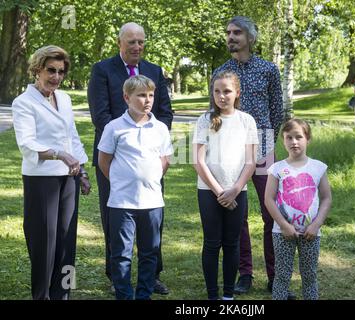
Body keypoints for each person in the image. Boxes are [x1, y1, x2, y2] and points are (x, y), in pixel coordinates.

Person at [88, 22, 173, 294]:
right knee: (114, 218)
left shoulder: (154, 71)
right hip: (114, 159)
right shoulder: (102, 70)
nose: (137, 47)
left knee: (152, 218)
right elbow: (100, 115)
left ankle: (152, 275)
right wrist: (125, 141)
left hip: (150, 158)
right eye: (131, 42)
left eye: (141, 42)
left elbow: (165, 112)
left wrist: (150, 141)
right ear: (119, 43)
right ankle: (117, 277)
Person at [11, 45, 90, 300]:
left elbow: (72, 136)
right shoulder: (23, 102)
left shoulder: (64, 98)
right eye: (51, 71)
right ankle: (42, 296)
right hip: (40, 179)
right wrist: (60, 154)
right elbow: (27, 143)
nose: (56, 77)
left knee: (67, 241)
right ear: (37, 69)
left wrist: (82, 170)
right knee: (44, 243)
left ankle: (62, 295)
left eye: (61, 72)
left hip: (69, 177)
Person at [213, 16, 284, 295]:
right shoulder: (220, 72)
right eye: (228, 32)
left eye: (237, 32)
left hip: (264, 146)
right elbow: (215, 113)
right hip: (231, 150)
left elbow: (277, 110)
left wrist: (264, 139)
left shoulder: (268, 70)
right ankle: (244, 273)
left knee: (271, 213)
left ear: (250, 37)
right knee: (237, 214)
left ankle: (275, 274)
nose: (231, 37)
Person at [193, 71, 258, 300]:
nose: (222, 96)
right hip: (209, 191)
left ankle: (228, 295)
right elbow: (199, 161)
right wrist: (220, 191)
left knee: (232, 243)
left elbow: (251, 162)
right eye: (217, 91)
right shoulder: (205, 120)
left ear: (237, 93)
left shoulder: (246, 120)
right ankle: (213, 295)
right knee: (212, 243)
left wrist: (235, 189)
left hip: (237, 191)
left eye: (227, 91)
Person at [264, 118, 332, 300]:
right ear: (283, 140)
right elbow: (269, 199)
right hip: (282, 233)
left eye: (299, 137)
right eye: (289, 138)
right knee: (282, 276)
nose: (294, 142)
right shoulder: (276, 168)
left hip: (311, 233)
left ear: (307, 139)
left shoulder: (318, 167)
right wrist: (283, 225)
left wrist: (316, 225)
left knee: (309, 276)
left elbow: (326, 198)